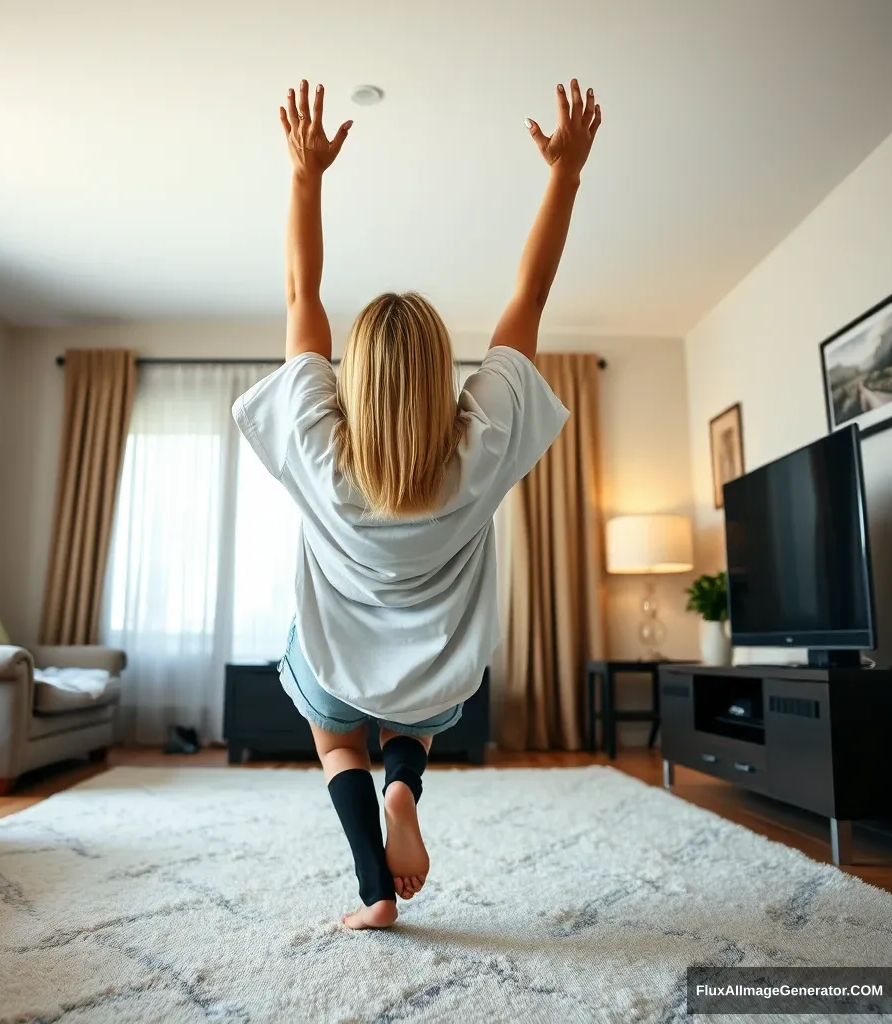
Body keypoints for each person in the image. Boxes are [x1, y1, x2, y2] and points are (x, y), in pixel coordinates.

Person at [233, 77, 601, 929]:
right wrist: (565, 175)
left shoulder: (321, 450)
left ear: (349, 381)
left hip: (333, 664)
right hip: (435, 680)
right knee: (414, 716)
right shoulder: (481, 445)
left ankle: (373, 891)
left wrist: (305, 174)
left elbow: (301, 296)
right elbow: (531, 295)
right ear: (445, 375)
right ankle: (405, 784)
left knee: (333, 740)